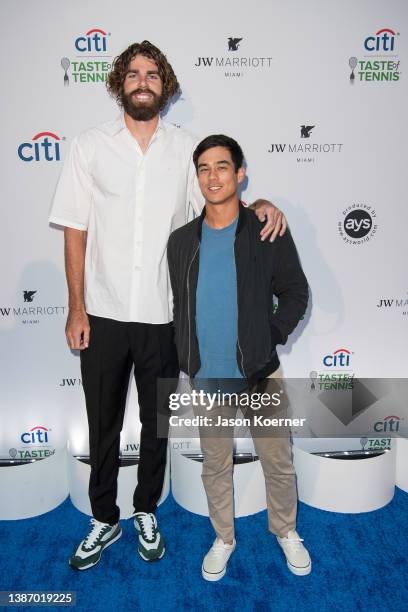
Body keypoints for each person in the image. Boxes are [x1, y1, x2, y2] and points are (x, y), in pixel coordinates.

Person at [49, 41, 287, 570]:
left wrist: (261, 205)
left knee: (156, 424)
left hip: (164, 318)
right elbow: (74, 229)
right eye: (132, 73)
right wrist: (75, 307)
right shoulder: (89, 146)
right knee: (103, 421)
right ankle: (104, 517)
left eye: (152, 74)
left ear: (165, 85)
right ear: (119, 83)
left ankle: (145, 509)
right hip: (104, 313)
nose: (142, 81)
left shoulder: (185, 148)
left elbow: (217, 201)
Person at [167, 134, 311, 581]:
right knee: (215, 465)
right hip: (207, 378)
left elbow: (295, 292)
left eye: (222, 166)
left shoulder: (266, 230)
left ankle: (285, 530)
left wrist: (269, 336)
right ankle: (223, 537)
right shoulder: (180, 242)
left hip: (260, 376)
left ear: (240, 173)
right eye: (204, 168)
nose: (213, 176)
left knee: (277, 461)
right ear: (197, 178)